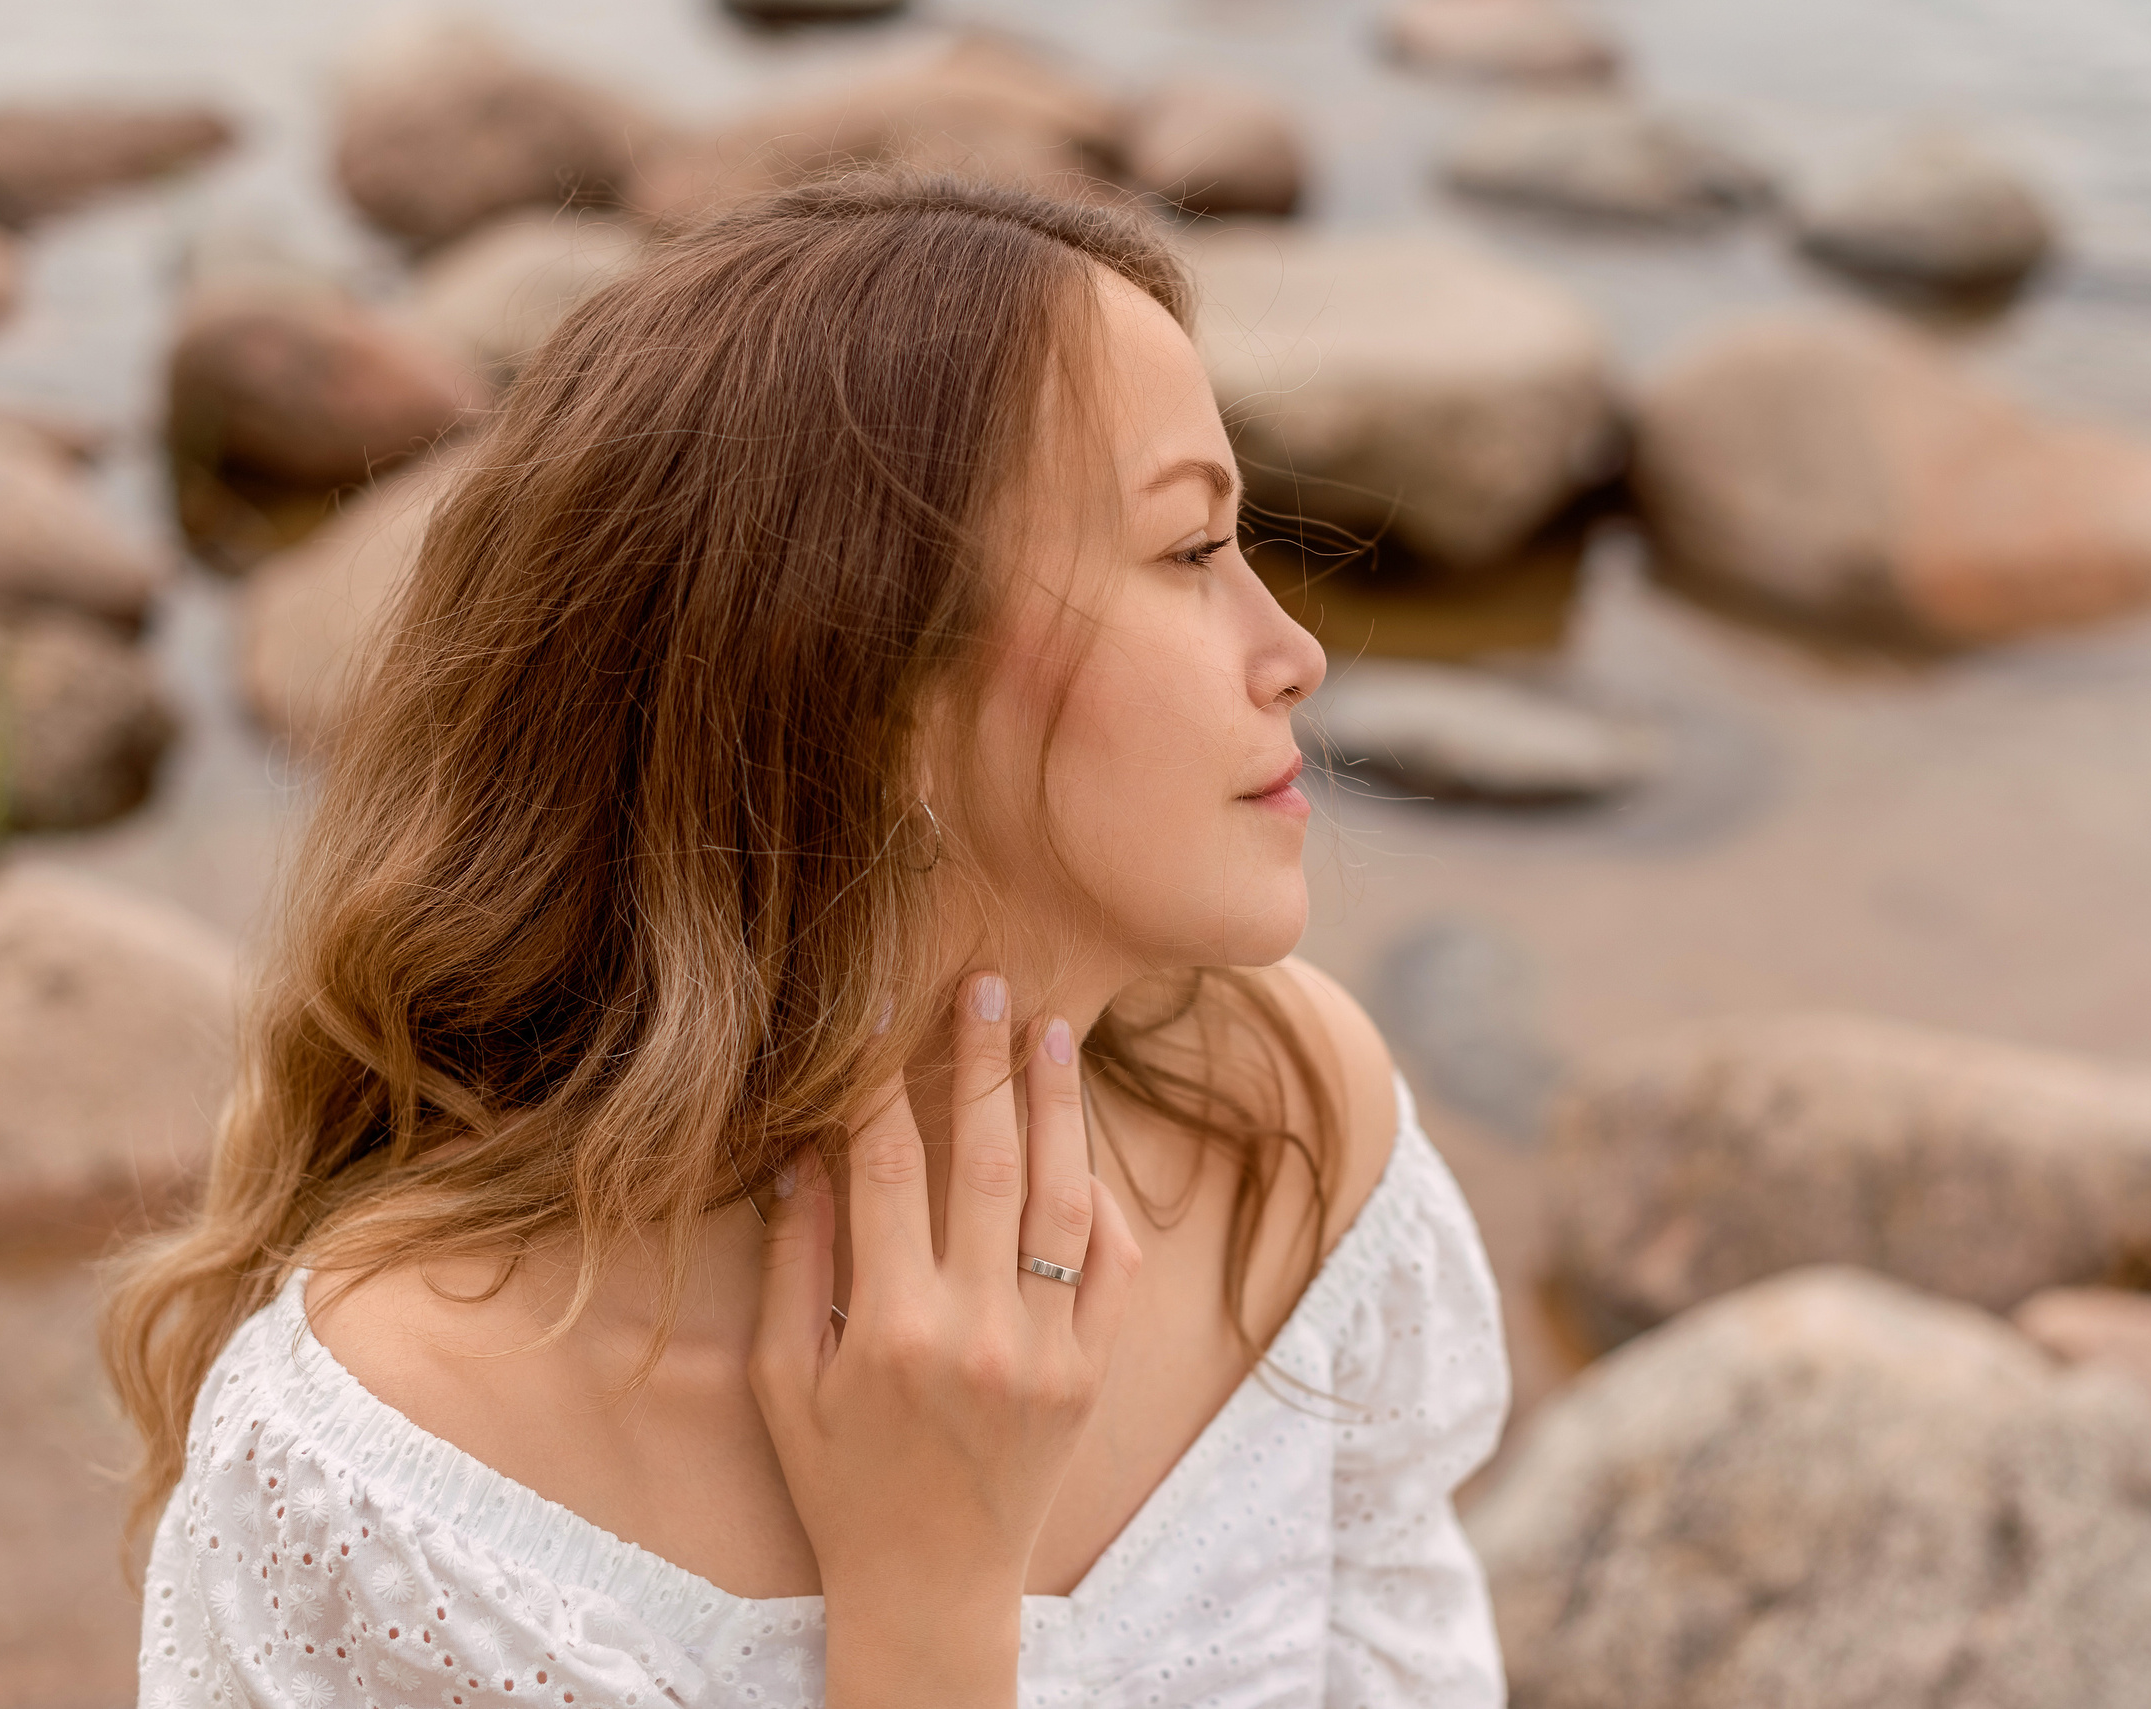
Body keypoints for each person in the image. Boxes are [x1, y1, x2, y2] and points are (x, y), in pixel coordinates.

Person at [107, 172, 1509, 1709]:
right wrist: (929, 1604)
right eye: (1190, 552)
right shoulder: (390, 1469)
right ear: (874, 684)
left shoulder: (1295, 1122)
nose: (1295, 654)